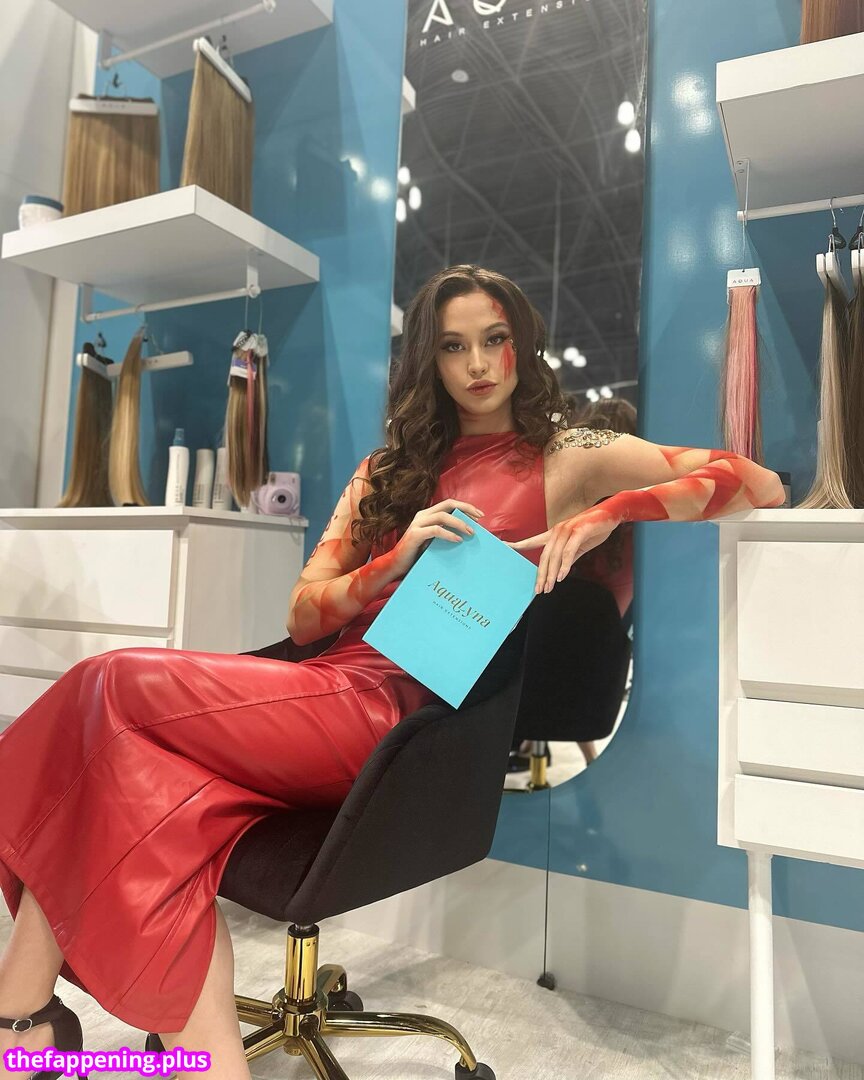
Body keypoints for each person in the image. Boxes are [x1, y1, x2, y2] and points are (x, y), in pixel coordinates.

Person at [0, 265, 784, 1080]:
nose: (477, 364)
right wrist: (393, 561)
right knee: (143, 781)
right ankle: (159, 1050)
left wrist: (608, 513)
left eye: (494, 339)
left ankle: (18, 1012)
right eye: (452, 346)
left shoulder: (566, 455)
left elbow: (748, 482)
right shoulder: (385, 471)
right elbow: (302, 618)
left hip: (398, 733)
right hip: (324, 689)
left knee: (106, 684)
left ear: (521, 344)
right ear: (428, 361)